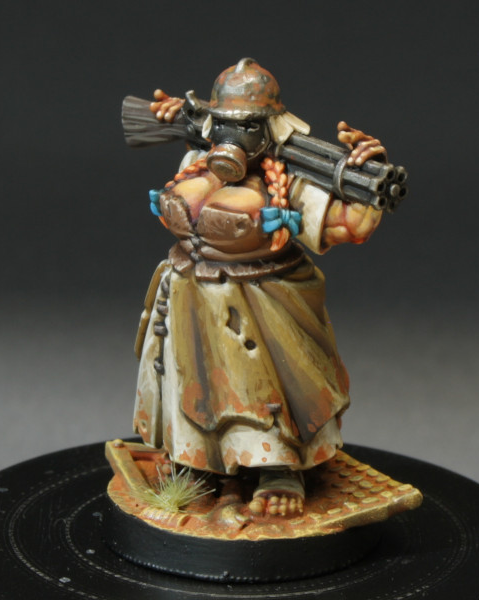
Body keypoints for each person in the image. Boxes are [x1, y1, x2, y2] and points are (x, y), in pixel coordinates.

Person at [132, 58, 385, 517]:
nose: (234, 135)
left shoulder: (287, 182)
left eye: (248, 125)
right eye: (225, 123)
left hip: (256, 304)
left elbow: (350, 225)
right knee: (189, 386)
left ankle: (277, 471)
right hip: (187, 294)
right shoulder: (195, 162)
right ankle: (196, 463)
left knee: (259, 394)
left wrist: (371, 175)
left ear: (271, 127)